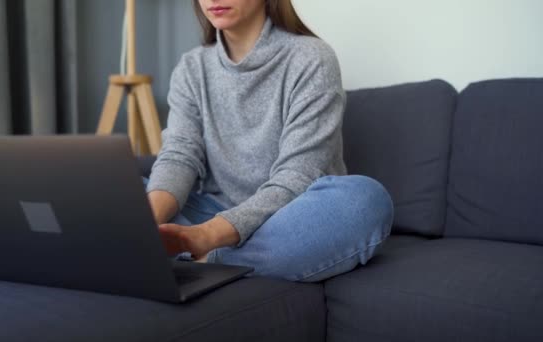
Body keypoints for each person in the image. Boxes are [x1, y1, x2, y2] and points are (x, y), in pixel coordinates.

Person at [145, 0, 393, 282]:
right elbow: (179, 157)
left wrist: (208, 234)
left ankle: (212, 260)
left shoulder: (312, 58)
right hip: (213, 208)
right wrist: (143, 226)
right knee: (125, 190)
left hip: (289, 216)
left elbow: (297, 175)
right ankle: (172, 250)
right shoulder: (191, 68)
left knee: (365, 201)